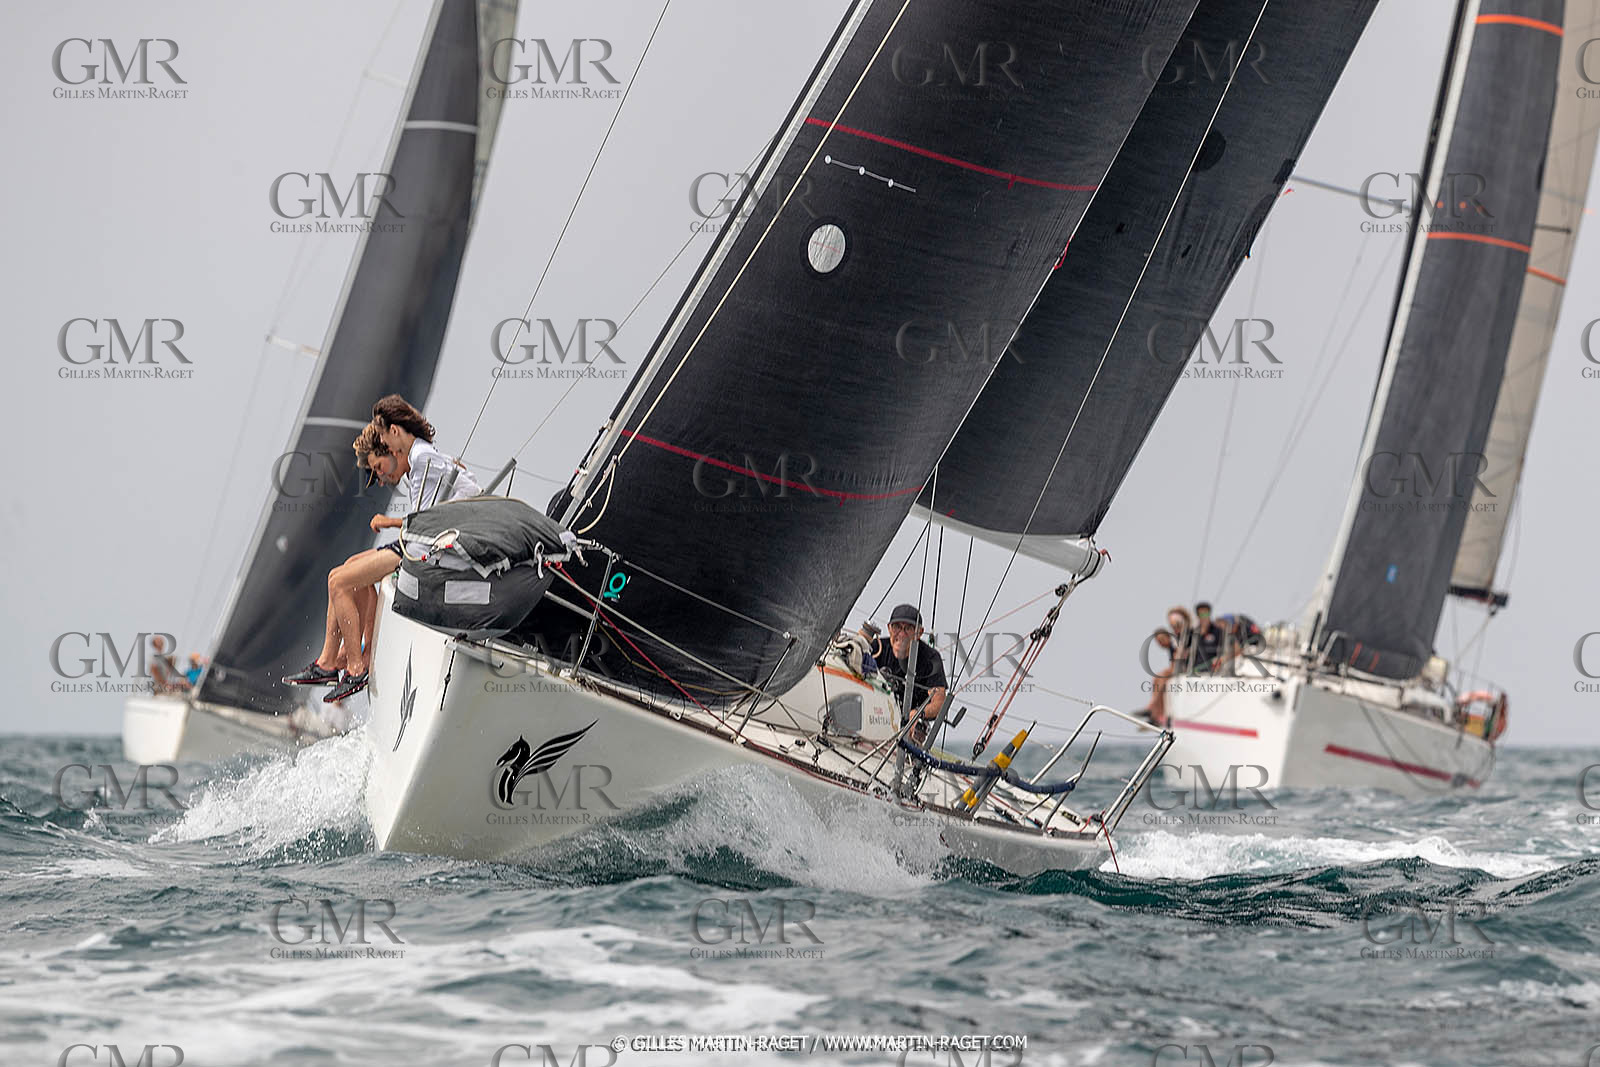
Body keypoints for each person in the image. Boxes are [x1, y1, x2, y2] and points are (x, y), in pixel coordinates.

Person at [283, 396, 481, 702]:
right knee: (345, 570)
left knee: (338, 581)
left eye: (380, 464)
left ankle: (355, 666)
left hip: (419, 550)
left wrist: (404, 523)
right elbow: (430, 510)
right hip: (415, 541)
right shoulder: (420, 458)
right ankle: (332, 660)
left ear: (394, 436)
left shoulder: (422, 457)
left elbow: (456, 500)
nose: (382, 476)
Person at [863, 604, 947, 743]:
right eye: (897, 627)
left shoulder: (931, 659)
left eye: (908, 628)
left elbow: (939, 703)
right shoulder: (875, 648)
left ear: (919, 632)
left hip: (908, 731)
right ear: (889, 628)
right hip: (872, 717)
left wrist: (917, 714)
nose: (901, 634)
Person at [1144, 606, 1193, 725]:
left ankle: (1152, 708)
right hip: (1180, 670)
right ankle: (1156, 712)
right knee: (1158, 678)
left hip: (1189, 669)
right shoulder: (1177, 640)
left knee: (1161, 676)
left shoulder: (1189, 636)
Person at [1191, 601, 1224, 673]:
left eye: (1206, 614)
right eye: (1202, 615)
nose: (1205, 617)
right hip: (1196, 672)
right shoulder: (1192, 633)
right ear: (1198, 616)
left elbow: (1225, 650)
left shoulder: (1218, 631)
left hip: (1215, 672)